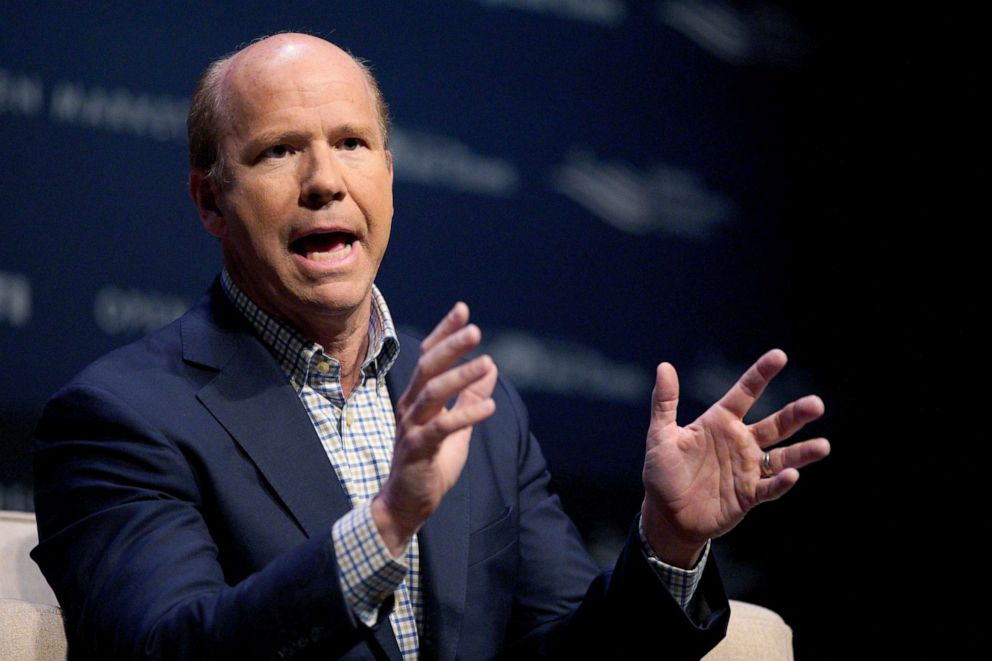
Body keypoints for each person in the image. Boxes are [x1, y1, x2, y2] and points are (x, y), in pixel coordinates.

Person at [31, 33, 830, 660]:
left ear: (387, 171)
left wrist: (670, 541)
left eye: (351, 143)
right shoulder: (119, 417)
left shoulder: (473, 402)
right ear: (211, 199)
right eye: (279, 150)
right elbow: (165, 648)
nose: (324, 180)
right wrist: (384, 527)